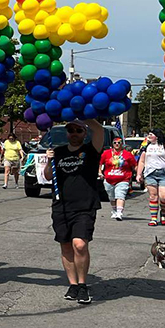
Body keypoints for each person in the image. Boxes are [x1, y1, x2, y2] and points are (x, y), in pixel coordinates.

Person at [43, 119, 105, 304]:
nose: (74, 133)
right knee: (66, 246)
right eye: (71, 130)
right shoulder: (58, 151)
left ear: (84, 133)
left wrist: (81, 114)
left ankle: (83, 284)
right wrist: (48, 161)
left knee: (80, 244)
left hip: (84, 206)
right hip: (61, 206)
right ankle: (73, 285)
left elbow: (98, 128)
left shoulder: (91, 150)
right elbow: (47, 176)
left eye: (79, 130)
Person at [136, 129, 165, 226]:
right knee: (153, 196)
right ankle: (153, 218)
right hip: (150, 173)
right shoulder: (146, 147)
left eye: (151, 135)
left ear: (157, 136)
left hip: (164, 173)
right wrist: (139, 174)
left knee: (164, 197)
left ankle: (163, 213)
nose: (149, 136)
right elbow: (141, 161)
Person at [99, 137, 137, 221]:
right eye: (115, 142)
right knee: (112, 197)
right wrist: (100, 173)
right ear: (112, 144)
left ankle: (119, 213)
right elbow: (100, 163)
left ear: (122, 144)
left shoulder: (127, 154)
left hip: (123, 179)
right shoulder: (106, 153)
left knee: (120, 195)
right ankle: (114, 210)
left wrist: (138, 174)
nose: (117, 144)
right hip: (109, 179)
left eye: (119, 143)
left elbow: (135, 165)